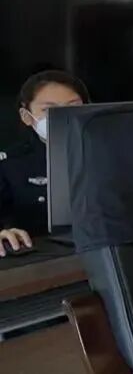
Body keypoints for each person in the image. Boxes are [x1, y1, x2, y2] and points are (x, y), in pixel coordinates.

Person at [0, 70, 89, 257]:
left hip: (103, 252)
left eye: (73, 107)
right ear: (26, 116)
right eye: (49, 110)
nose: (63, 116)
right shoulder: (10, 164)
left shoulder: (110, 152)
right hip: (40, 258)